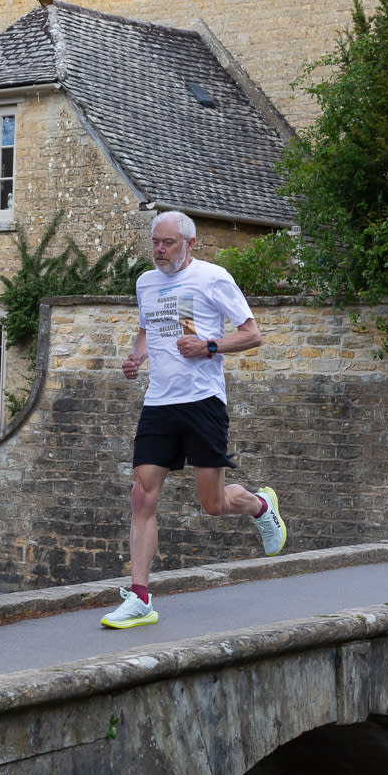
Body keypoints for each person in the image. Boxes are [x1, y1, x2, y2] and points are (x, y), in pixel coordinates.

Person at [101, 210, 287, 629]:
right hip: (159, 403)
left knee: (214, 503)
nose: (159, 250)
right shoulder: (145, 283)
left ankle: (259, 505)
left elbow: (252, 333)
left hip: (203, 401)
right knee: (142, 495)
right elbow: (148, 329)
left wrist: (209, 345)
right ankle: (140, 597)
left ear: (190, 243)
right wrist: (136, 357)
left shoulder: (212, 278)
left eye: (167, 243)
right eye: (155, 242)